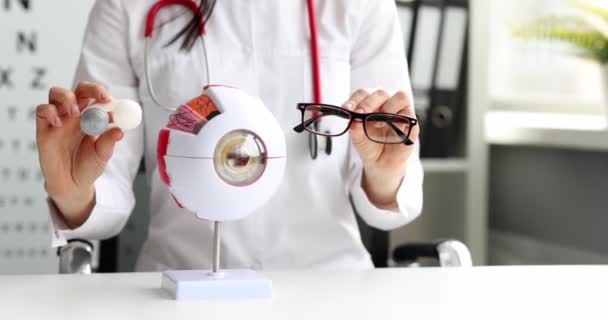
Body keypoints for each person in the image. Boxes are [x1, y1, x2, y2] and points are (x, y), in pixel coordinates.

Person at [36, 0, 423, 271]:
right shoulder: (127, 6)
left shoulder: (362, 5)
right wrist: (74, 194)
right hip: (181, 286)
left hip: (328, 284)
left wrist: (384, 172)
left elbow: (388, 204)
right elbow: (106, 187)